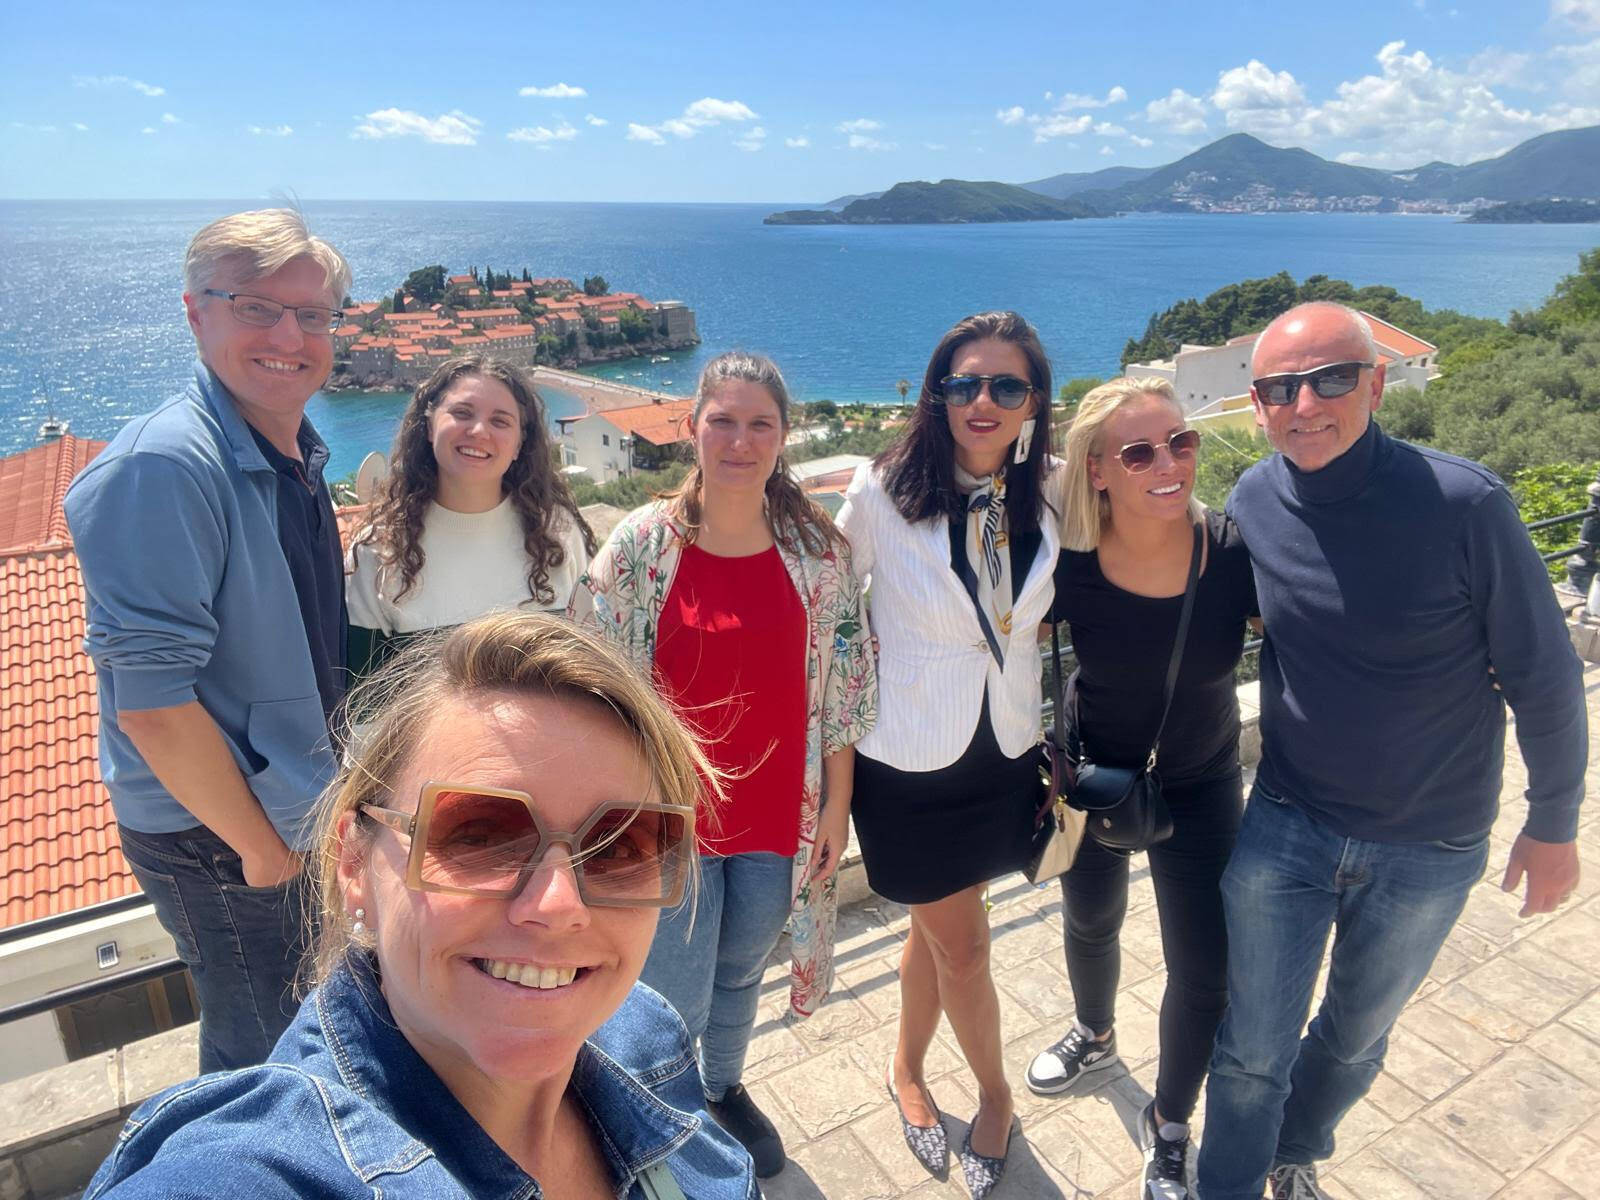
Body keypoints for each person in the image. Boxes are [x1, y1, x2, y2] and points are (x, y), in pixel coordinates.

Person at [84, 612, 758, 1199]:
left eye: (620, 846)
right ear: (354, 864)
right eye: (478, 836)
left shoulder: (643, 1031)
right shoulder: (258, 1168)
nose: (557, 904)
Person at [1196, 302, 1589, 1200]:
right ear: (1257, 404)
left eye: (1331, 379)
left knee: (1354, 1040)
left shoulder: (1465, 505)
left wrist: (1554, 823)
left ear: (1375, 385)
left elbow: (1545, 676)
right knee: (1252, 1048)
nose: (1304, 405)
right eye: (1279, 389)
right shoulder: (1254, 497)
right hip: (1288, 822)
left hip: (1430, 843)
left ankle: (1294, 1152)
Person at [572, 350, 876, 1178]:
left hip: (781, 815)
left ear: (783, 435)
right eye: (723, 421)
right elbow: (595, 679)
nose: (741, 441)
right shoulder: (643, 547)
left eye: (760, 424)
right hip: (669, 819)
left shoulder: (819, 553)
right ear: (693, 428)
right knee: (669, 990)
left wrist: (836, 811)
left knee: (742, 969)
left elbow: (846, 693)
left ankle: (722, 1088)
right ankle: (662, 1119)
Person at [65, 208, 352, 1073]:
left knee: (299, 1032)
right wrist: (262, 852)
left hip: (280, 810)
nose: (289, 337)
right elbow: (153, 707)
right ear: (196, 314)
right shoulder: (161, 468)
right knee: (263, 1057)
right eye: (256, 307)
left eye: (312, 314)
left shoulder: (288, 450)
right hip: (220, 836)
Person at [838, 311, 1062, 1199]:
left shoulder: (1049, 491)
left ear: (1033, 401)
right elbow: (823, 600)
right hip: (907, 764)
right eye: (964, 383)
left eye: (1006, 385)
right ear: (937, 395)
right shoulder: (881, 488)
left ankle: (905, 1065)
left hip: (1002, 750)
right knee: (965, 949)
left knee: (938, 930)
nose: (983, 400)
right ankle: (996, 1095)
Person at [1023, 377, 1255, 1199]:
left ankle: (1170, 1122)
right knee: (1091, 920)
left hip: (1201, 780)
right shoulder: (1070, 563)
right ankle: (1095, 1034)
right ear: (1095, 470)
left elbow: (1317, 635)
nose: (1169, 464)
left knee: (1206, 972)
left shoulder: (1231, 553)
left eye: (1181, 442)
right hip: (1091, 776)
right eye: (1139, 452)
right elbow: (992, 639)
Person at [345, 355, 593, 681]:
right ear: (430, 426)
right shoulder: (377, 552)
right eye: (462, 413)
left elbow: (587, 669)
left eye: (500, 421)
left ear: (519, 445)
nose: (478, 431)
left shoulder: (557, 534)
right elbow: (364, 698)